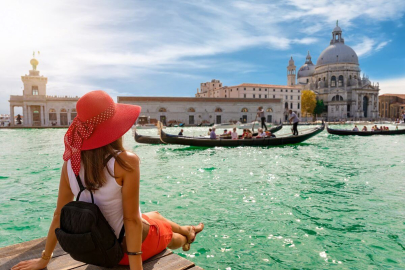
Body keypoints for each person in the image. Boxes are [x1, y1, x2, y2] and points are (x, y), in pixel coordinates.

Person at [11, 91, 204, 270]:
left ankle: (188, 229)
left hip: (96, 248)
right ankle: (186, 238)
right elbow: (131, 220)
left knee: (155, 215)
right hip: (124, 252)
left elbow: (58, 215)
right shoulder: (125, 161)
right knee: (169, 235)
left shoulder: (70, 164)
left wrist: (45, 258)